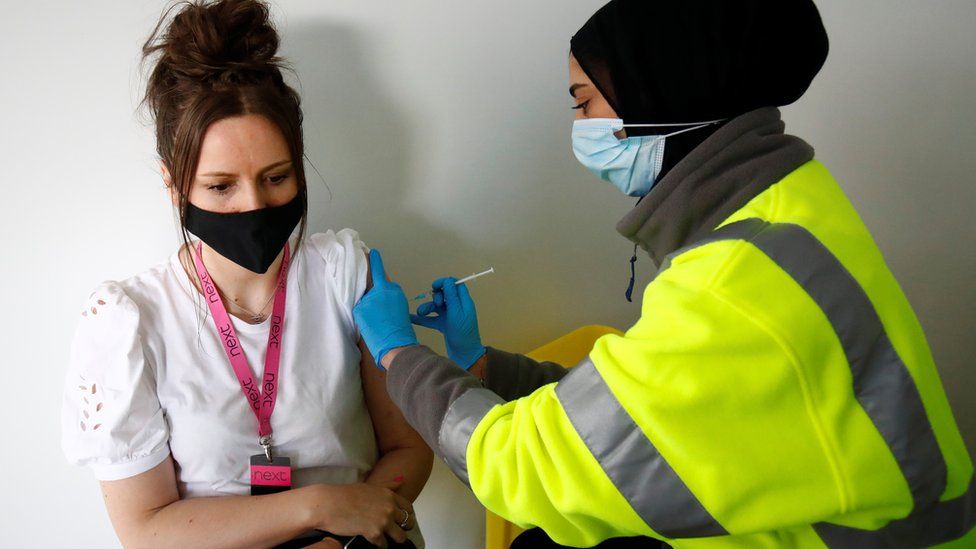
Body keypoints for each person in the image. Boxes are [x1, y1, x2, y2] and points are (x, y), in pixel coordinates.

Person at [351, 0, 976, 547]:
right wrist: (481, 363)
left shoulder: (730, 286)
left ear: (660, 93)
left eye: (585, 102)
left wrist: (399, 356)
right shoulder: (787, 205)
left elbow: (528, 471)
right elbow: (646, 417)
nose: (580, 129)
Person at [60, 1, 431, 547]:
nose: (254, 206)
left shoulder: (346, 275)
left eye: (276, 177)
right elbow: (145, 529)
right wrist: (322, 507)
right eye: (220, 186)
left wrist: (350, 539)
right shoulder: (128, 324)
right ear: (173, 183)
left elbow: (408, 449)